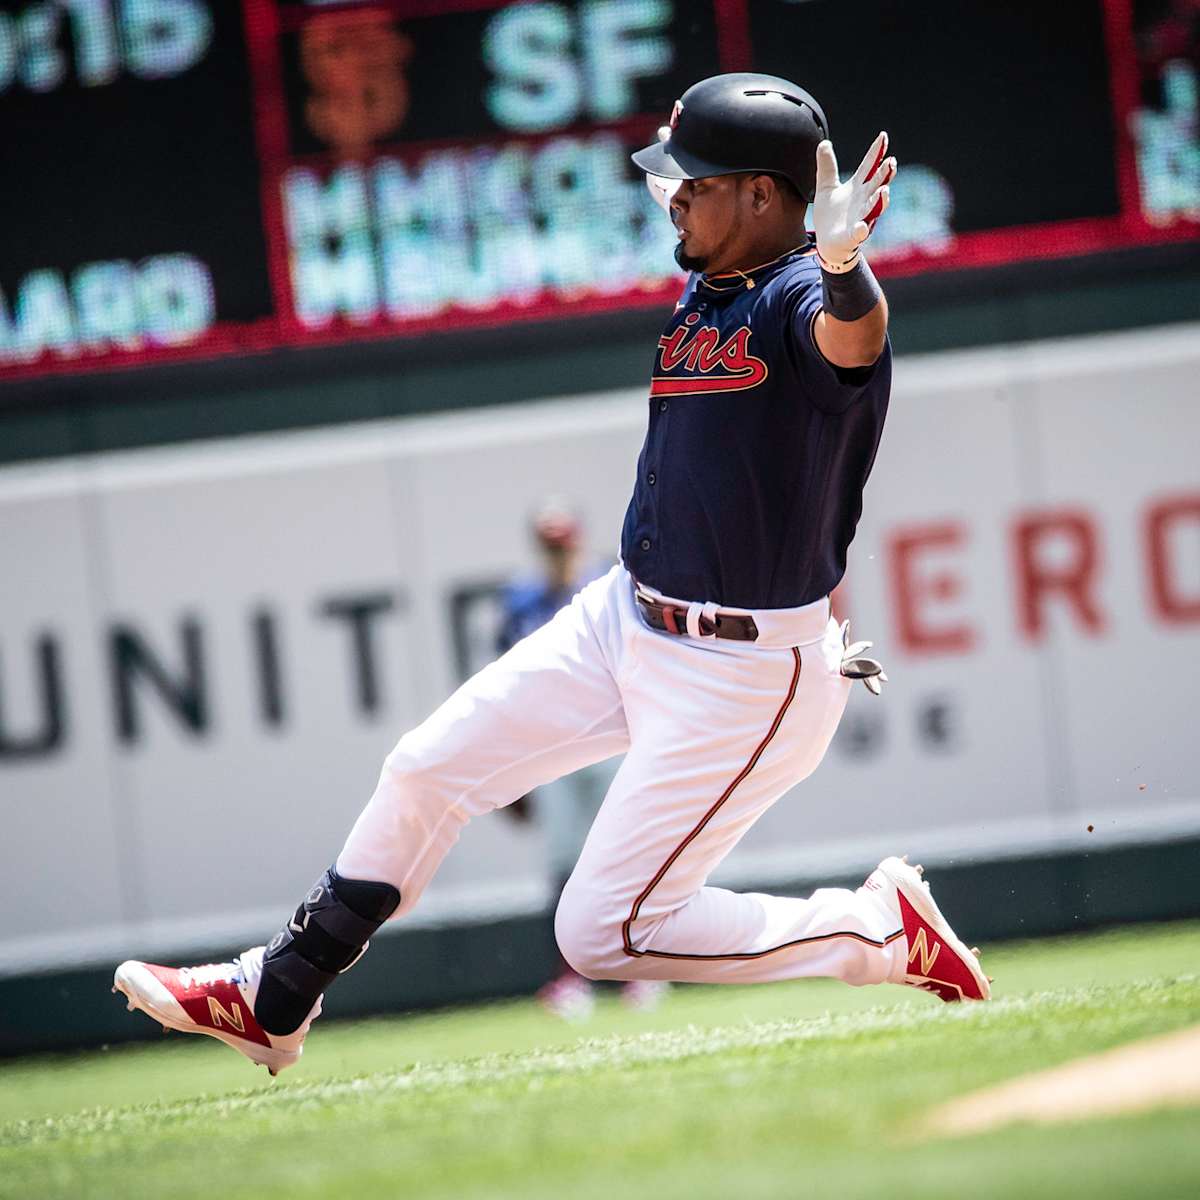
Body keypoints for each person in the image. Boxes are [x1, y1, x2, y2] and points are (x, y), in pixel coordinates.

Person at [114, 73, 990, 1077]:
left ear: (760, 194)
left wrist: (843, 268)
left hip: (746, 675)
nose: (671, 196)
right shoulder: (715, 285)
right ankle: (275, 996)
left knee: (601, 935)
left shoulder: (799, 297)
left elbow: (853, 345)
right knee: (425, 768)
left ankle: (873, 932)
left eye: (694, 181)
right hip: (626, 618)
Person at [497, 499, 668, 1019]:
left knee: (626, 856)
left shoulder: (608, 585)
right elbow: (508, 683)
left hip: (615, 739)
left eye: (564, 543)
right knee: (564, 866)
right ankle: (570, 979)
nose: (559, 554)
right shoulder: (522, 600)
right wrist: (513, 769)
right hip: (555, 750)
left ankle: (639, 970)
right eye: (551, 545)